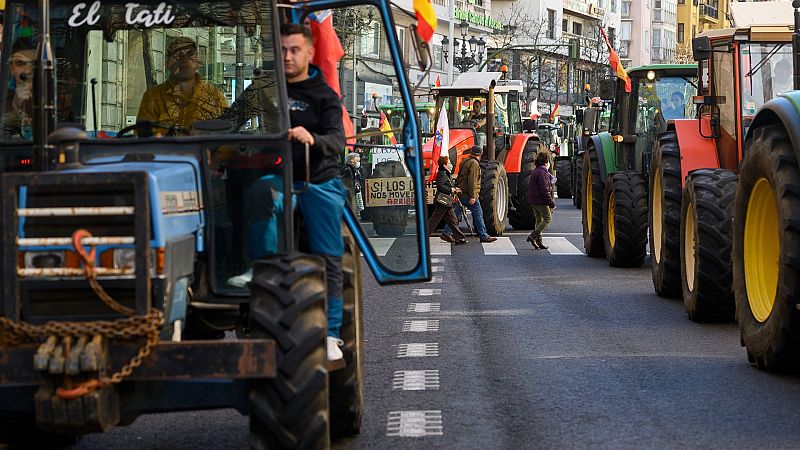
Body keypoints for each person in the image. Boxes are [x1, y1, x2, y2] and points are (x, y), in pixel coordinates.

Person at [228, 24, 348, 367]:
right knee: (258, 194)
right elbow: (232, 118)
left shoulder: (324, 95)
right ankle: (261, 272)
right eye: (281, 50)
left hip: (317, 180)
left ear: (309, 53)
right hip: (278, 177)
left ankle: (331, 334)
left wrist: (312, 138)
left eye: (294, 50)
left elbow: (337, 141)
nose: (287, 57)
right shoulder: (264, 88)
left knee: (329, 255)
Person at [137, 37, 228, 135]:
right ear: (167, 63)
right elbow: (143, 140)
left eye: (190, 55)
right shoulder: (153, 97)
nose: (184, 61)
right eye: (177, 56)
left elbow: (226, 140)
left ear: (197, 62)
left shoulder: (215, 98)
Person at [442, 145, 498, 243]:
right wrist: (472, 196)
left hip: (462, 192)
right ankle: (483, 235)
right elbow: (472, 181)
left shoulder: (465, 161)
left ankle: (446, 232)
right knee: (478, 213)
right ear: (480, 154)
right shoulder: (474, 164)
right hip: (468, 194)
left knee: (455, 214)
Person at [428, 155, 467, 244]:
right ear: (445, 165)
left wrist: (455, 189)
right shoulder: (442, 174)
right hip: (443, 201)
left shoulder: (445, 173)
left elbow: (446, 184)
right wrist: (451, 189)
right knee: (434, 221)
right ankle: (424, 236)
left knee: (452, 220)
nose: (451, 164)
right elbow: (440, 186)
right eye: (449, 163)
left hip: (446, 201)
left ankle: (459, 237)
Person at [4, 40, 35, 138]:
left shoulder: (52, 94)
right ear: (11, 68)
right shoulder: (3, 97)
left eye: (33, 64)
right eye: (21, 64)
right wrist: (15, 105)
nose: (27, 70)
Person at [526, 152, 556, 249]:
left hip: (533, 200)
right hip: (540, 200)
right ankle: (533, 236)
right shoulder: (543, 172)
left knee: (539, 220)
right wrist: (551, 203)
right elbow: (545, 190)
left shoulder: (536, 170)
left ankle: (539, 242)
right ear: (546, 162)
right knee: (547, 218)